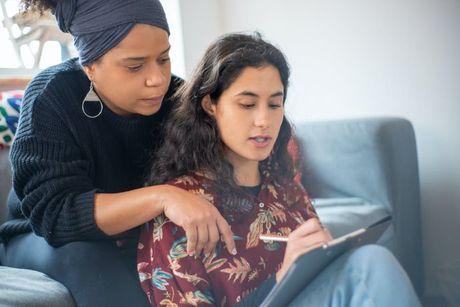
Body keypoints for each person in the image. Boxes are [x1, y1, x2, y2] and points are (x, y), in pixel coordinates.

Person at [137, 32, 422, 307]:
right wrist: (281, 279)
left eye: (275, 104)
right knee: (369, 266)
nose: (264, 120)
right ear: (210, 105)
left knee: (366, 261)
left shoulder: (282, 186)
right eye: (247, 104)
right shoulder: (180, 212)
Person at [0, 1, 236, 306]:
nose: (157, 79)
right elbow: (56, 215)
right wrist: (163, 197)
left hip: (132, 236)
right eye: (135, 66)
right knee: (88, 254)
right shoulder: (51, 95)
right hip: (41, 238)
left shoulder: (177, 98)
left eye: (163, 59)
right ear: (90, 66)